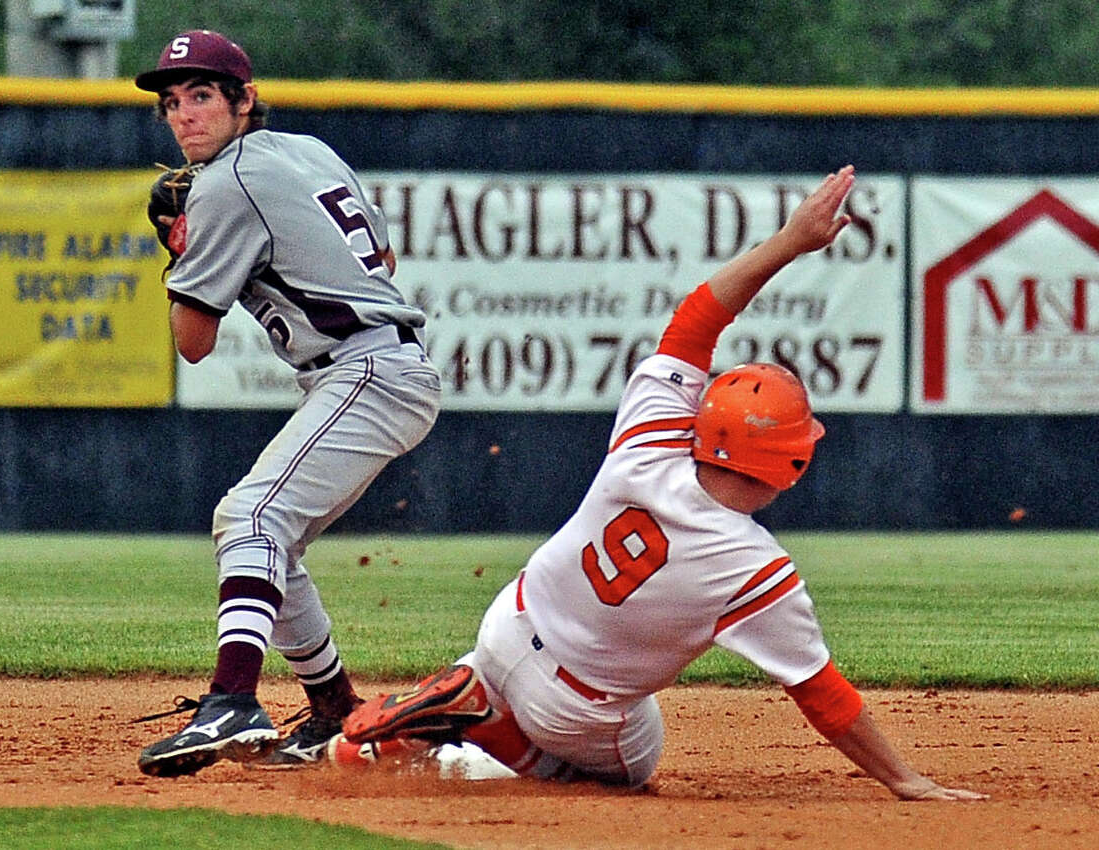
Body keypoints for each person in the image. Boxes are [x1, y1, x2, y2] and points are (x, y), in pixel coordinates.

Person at [339, 165, 987, 801]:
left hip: (504, 628)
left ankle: (389, 739)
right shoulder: (753, 567)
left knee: (498, 699)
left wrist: (790, 241)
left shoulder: (650, 444)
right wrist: (906, 780)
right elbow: (824, 696)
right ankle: (492, 735)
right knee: (633, 764)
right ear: (789, 463)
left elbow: (698, 318)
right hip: (571, 705)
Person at [132, 30, 441, 777]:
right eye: (173, 102)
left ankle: (232, 699)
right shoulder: (309, 149)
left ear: (244, 100)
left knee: (249, 518)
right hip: (383, 365)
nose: (185, 116)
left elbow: (193, 341)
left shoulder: (224, 183)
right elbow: (385, 262)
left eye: (203, 96)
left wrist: (182, 250)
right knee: (275, 539)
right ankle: (335, 709)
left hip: (367, 372)